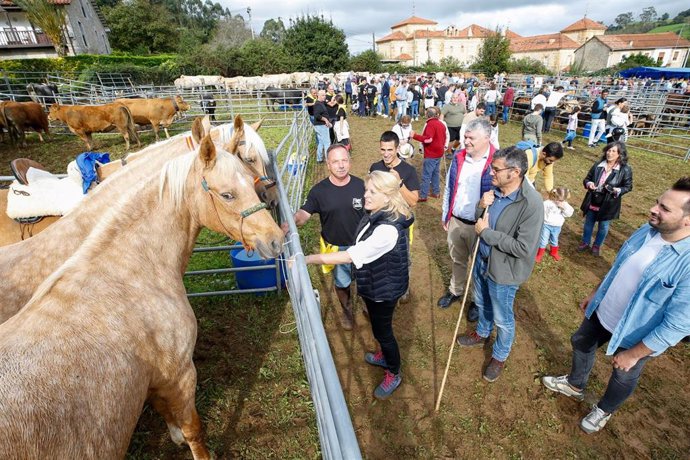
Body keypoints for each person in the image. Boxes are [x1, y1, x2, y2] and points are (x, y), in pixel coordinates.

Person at [542, 176, 690, 434]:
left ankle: (604, 410)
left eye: (665, 208)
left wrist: (634, 353)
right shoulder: (647, 230)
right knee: (581, 341)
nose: (654, 209)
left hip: (635, 334)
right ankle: (575, 384)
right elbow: (620, 267)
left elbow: (679, 324)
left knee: (624, 374)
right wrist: (596, 292)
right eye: (658, 202)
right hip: (603, 309)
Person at [305, 170, 414, 399]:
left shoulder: (386, 229)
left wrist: (308, 259)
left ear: (387, 196)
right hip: (376, 282)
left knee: (383, 332)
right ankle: (384, 356)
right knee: (376, 325)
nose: (366, 195)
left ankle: (393, 371)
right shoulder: (377, 212)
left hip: (384, 289)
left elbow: (350, 256)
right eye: (366, 189)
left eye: (372, 191)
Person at [456, 146, 544, 382]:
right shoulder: (496, 191)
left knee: (503, 317)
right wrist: (481, 206)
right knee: (482, 301)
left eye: (495, 169)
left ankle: (500, 355)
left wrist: (487, 235)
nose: (490, 174)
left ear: (514, 172)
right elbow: (480, 221)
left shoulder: (531, 204)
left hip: (504, 272)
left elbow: (523, 248)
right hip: (482, 261)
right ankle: (482, 332)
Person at [288, 145, 365, 329]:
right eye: (335, 161)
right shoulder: (319, 191)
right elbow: (304, 214)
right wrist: (290, 222)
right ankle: (347, 311)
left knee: (365, 280)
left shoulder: (361, 186)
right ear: (328, 165)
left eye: (344, 160)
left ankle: (366, 306)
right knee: (342, 283)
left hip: (362, 246)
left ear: (350, 162)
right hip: (336, 248)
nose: (341, 165)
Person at [439, 118, 497, 322]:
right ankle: (455, 291)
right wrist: (446, 214)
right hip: (456, 220)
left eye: (471, 138)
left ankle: (476, 299)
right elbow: (449, 186)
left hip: (480, 226)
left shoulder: (497, 161)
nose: (466, 141)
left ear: (487, 139)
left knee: (479, 266)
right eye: (465, 136)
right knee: (458, 259)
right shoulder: (458, 156)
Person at [578, 141, 634, 256]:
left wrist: (616, 190)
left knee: (603, 226)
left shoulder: (625, 169)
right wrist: (589, 184)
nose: (610, 153)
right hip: (593, 199)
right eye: (608, 150)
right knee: (589, 223)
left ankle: (597, 245)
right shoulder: (598, 165)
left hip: (609, 203)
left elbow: (628, 186)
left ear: (619, 154)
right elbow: (587, 179)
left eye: (614, 151)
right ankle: (585, 242)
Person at [370, 131, 420, 207]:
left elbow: (413, 202)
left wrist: (399, 183)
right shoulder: (375, 168)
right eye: (383, 150)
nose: (386, 154)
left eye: (390, 150)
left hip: (399, 217)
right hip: (378, 216)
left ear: (397, 149)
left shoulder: (409, 170)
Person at [411, 107, 446, 202]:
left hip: (431, 153)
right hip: (439, 153)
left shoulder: (430, 124)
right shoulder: (441, 124)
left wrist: (415, 136)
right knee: (435, 173)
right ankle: (436, 192)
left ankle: (423, 195)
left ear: (427, 115)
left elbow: (428, 139)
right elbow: (444, 137)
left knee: (426, 175)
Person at [536, 187, 574, 262]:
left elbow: (568, 214)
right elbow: (541, 211)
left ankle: (554, 252)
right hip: (546, 225)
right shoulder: (547, 203)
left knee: (554, 240)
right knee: (543, 240)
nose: (561, 202)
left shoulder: (565, 205)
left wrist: (564, 208)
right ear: (555, 196)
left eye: (563, 200)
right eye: (559, 200)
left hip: (557, 226)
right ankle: (539, 254)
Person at [312, 90, 332, 163]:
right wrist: (326, 120)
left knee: (321, 142)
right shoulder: (318, 104)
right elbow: (317, 115)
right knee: (327, 143)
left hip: (319, 125)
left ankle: (319, 159)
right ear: (318, 96)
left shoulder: (320, 103)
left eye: (325, 95)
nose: (325, 96)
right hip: (321, 125)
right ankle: (328, 159)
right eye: (323, 95)